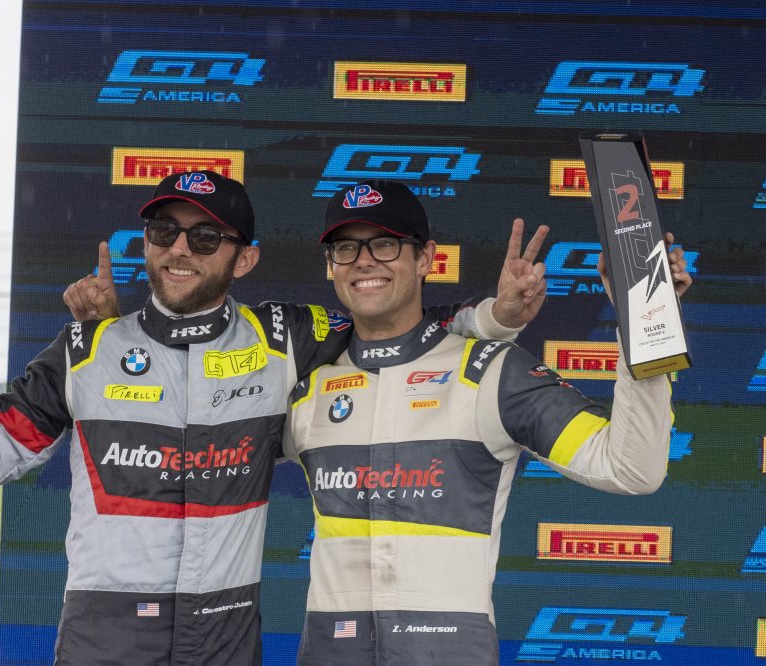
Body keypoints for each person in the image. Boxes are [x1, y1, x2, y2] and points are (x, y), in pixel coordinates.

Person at [0, 170, 546, 665]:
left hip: (224, 636)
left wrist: (496, 318)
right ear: (146, 244)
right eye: (163, 233)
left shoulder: (286, 337)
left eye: (204, 237)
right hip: (105, 637)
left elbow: (398, 329)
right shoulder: (85, 349)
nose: (180, 250)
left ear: (244, 258)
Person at [281, 179, 692, 665]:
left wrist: (647, 322)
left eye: (385, 244)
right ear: (332, 265)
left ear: (426, 258)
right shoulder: (306, 387)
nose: (364, 261)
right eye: (346, 248)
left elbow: (632, 469)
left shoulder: (492, 372)